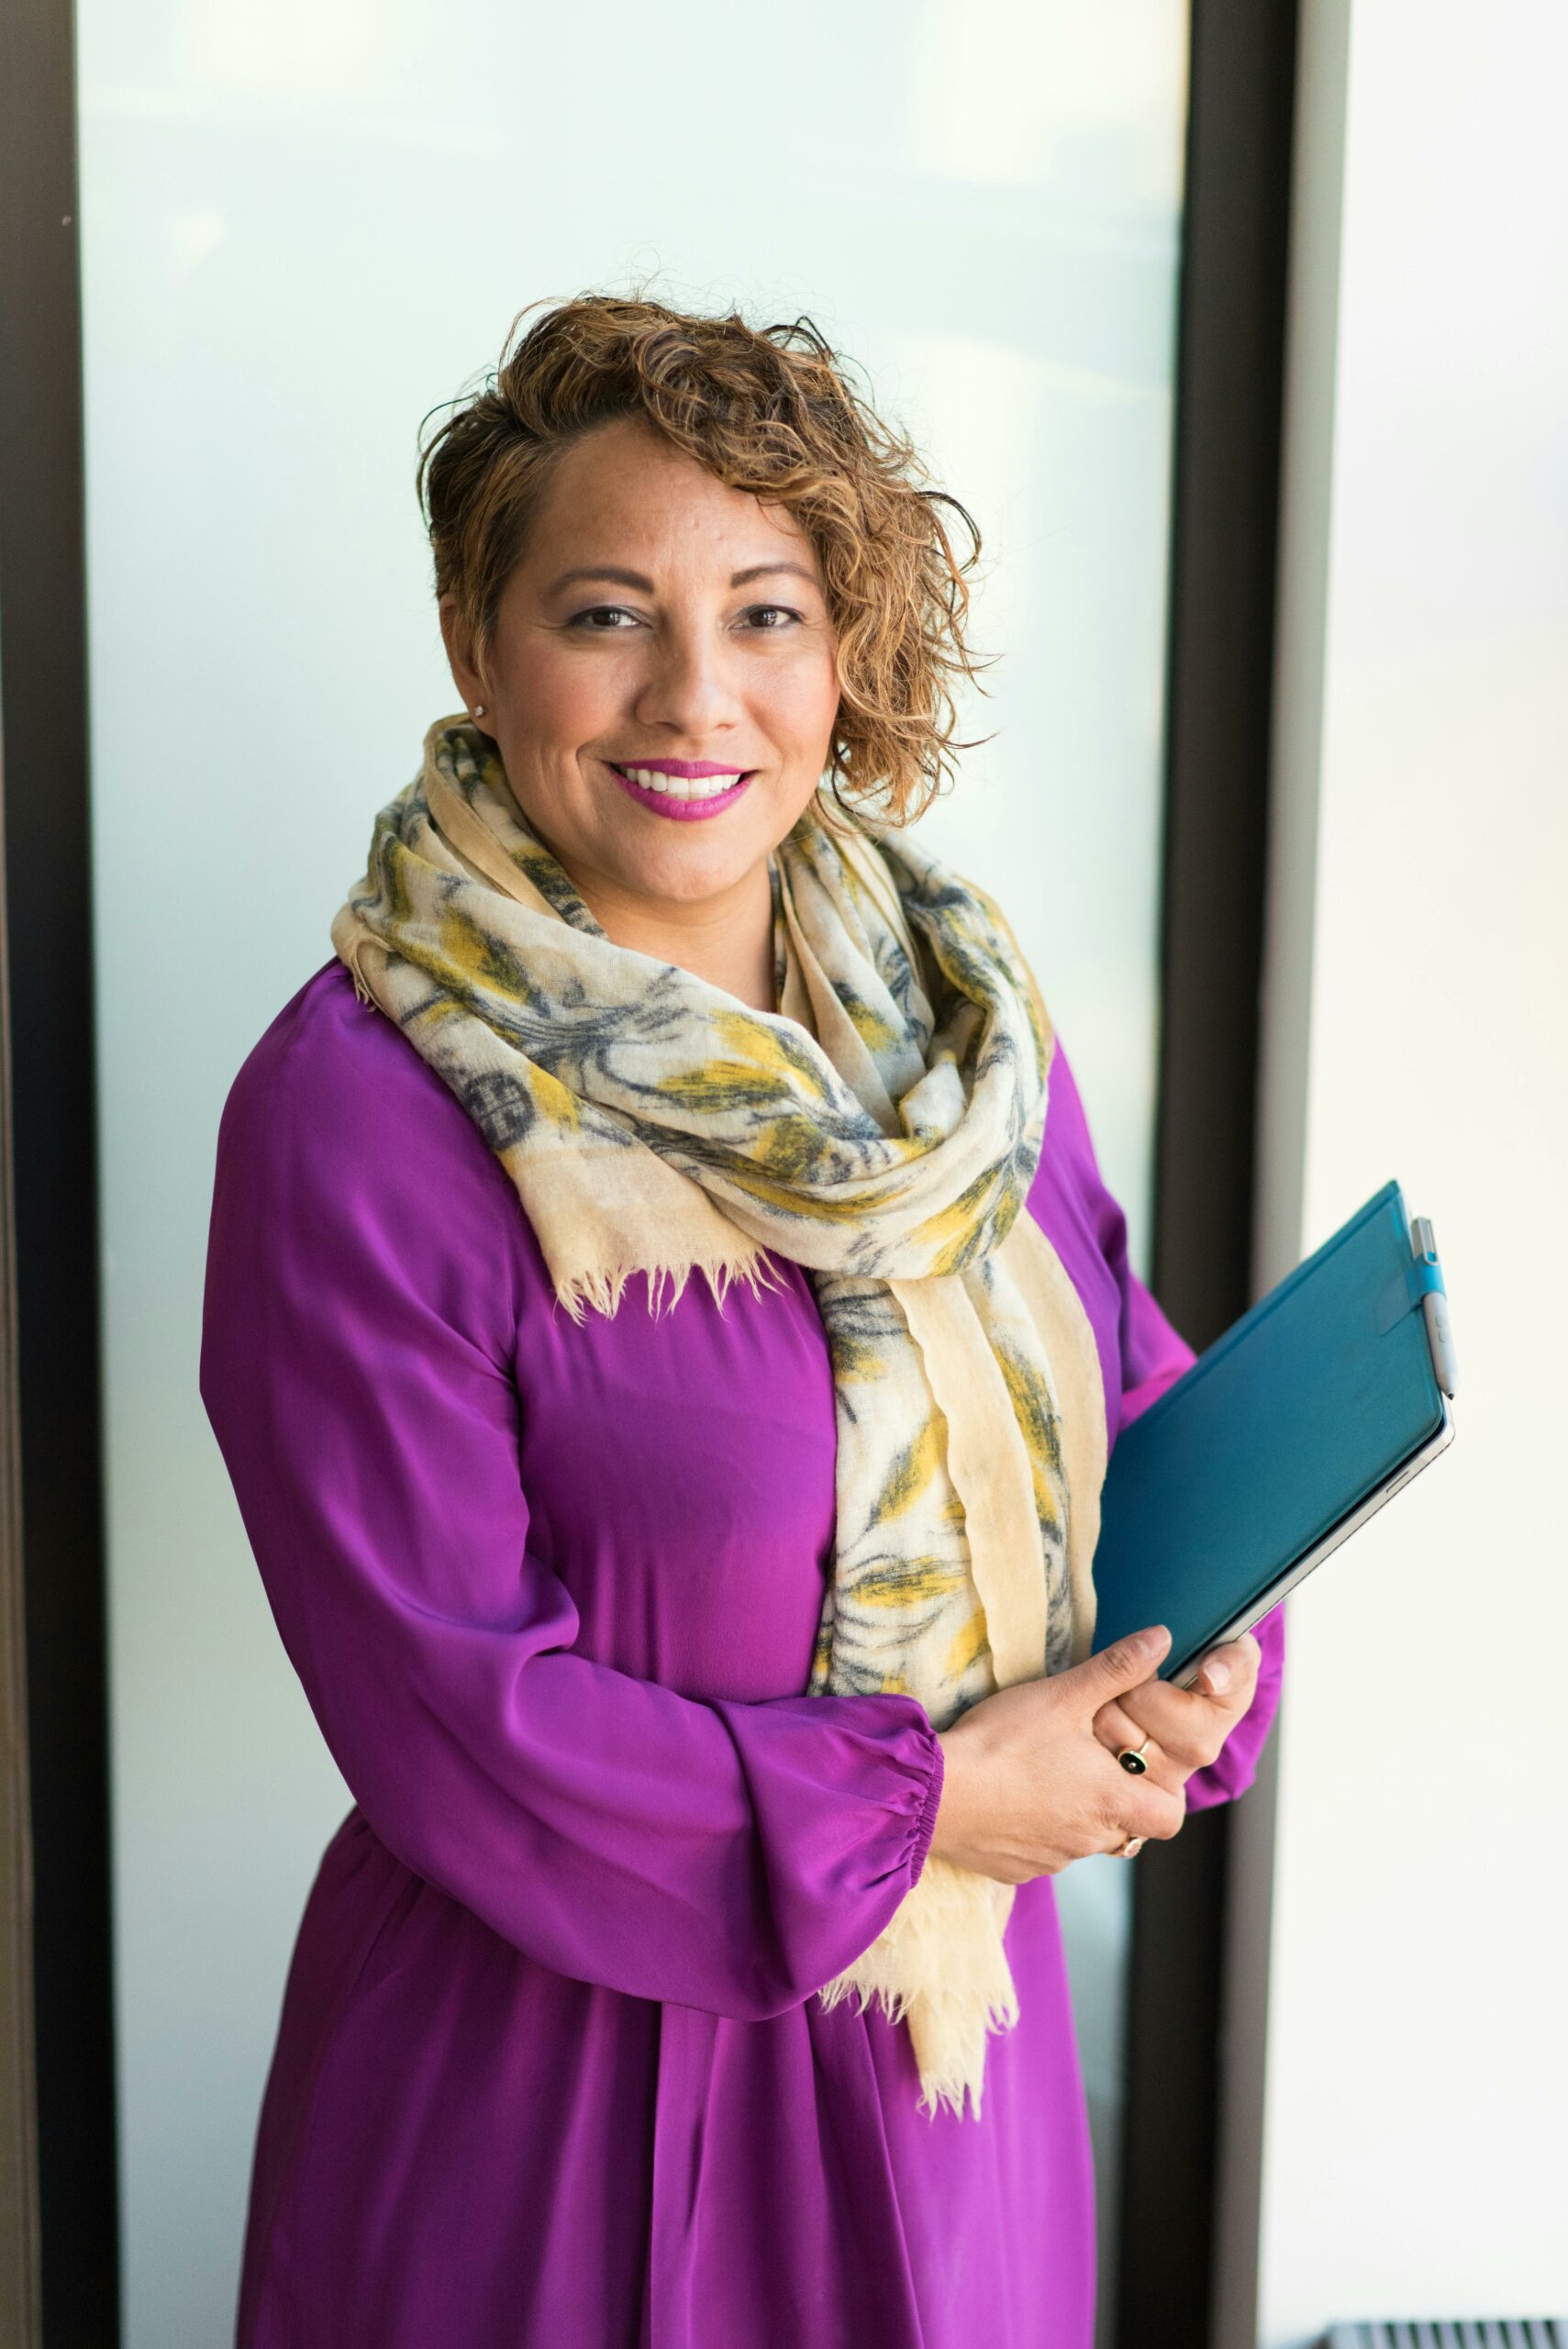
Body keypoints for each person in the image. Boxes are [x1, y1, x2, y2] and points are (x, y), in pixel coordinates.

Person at [201, 295, 1283, 2349]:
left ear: (844, 648)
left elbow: (1118, 1395)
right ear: (473, 636)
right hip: (573, 2104)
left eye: (768, 612)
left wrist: (1204, 1643)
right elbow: (456, 1716)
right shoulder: (361, 1113)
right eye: (607, 611)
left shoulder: (957, 1024)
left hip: (957, 2068)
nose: (696, 694)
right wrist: (928, 1803)